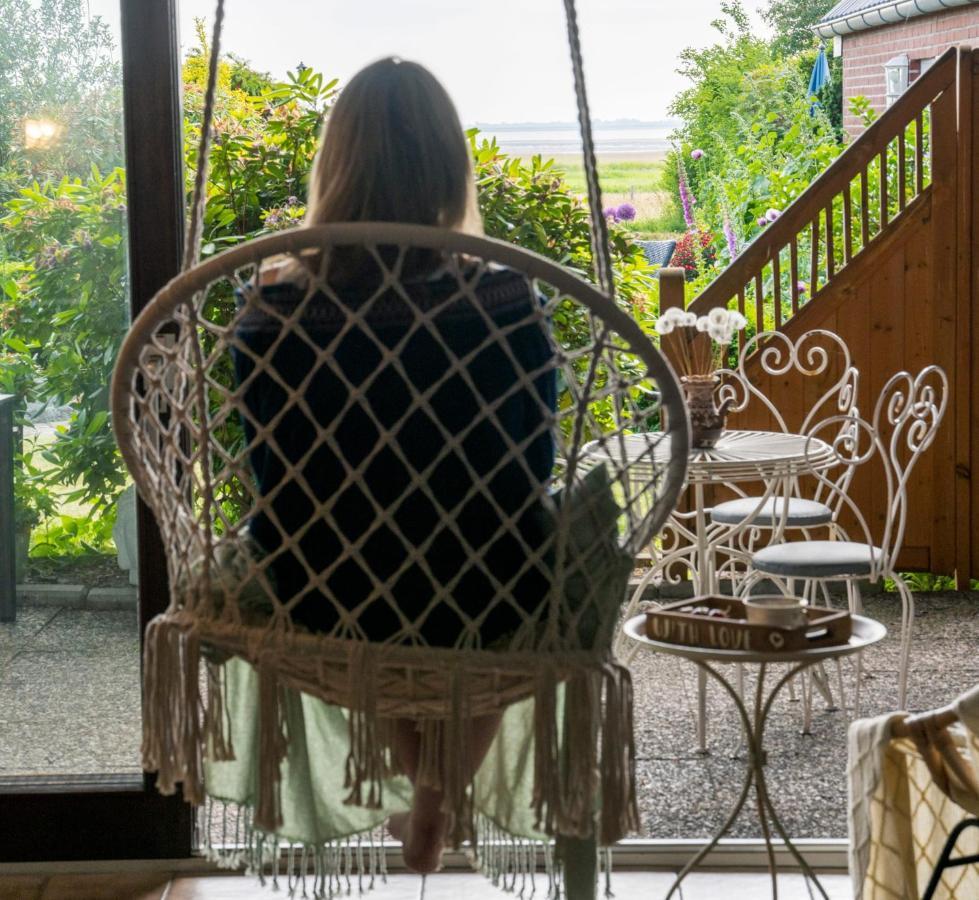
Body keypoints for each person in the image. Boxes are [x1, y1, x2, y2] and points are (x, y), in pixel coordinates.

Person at [232, 57, 557, 874]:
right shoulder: (505, 299)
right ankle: (439, 793)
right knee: (507, 563)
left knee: (367, 572)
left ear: (332, 166)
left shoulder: (272, 308)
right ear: (450, 166)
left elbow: (268, 469)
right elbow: (536, 457)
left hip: (325, 585)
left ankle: (427, 795)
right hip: (488, 580)